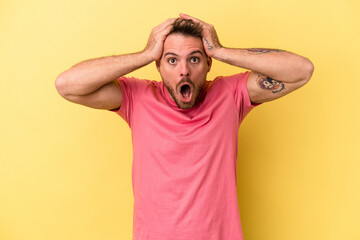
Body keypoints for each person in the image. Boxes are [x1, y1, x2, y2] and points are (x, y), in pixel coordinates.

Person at [55, 13, 314, 240]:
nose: (184, 72)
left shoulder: (230, 94)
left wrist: (221, 50)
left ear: (208, 64)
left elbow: (301, 70)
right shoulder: (137, 97)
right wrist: (144, 54)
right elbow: (67, 85)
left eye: (194, 59)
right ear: (158, 65)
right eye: (171, 60)